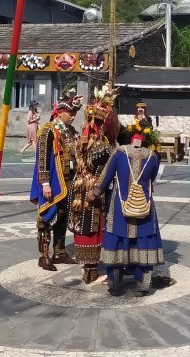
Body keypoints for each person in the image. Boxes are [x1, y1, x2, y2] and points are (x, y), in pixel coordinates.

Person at [90, 125, 164, 296]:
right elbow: (152, 179)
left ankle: (115, 282)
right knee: (143, 239)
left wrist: (95, 192)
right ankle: (142, 284)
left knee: (117, 237)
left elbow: (106, 175)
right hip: (144, 205)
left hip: (120, 204)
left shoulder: (119, 153)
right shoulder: (152, 156)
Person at [30, 93, 82, 271]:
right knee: (47, 217)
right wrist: (45, 183)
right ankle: (43, 255)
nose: (73, 116)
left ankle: (59, 251)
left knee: (63, 216)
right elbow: (42, 158)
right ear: (60, 112)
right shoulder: (48, 130)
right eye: (70, 113)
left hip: (69, 181)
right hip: (53, 181)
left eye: (74, 113)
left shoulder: (72, 131)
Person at [72, 86, 118, 284]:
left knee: (83, 226)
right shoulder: (103, 146)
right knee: (94, 226)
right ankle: (92, 269)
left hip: (79, 187)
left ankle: (88, 269)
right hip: (95, 189)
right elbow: (107, 170)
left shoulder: (78, 141)